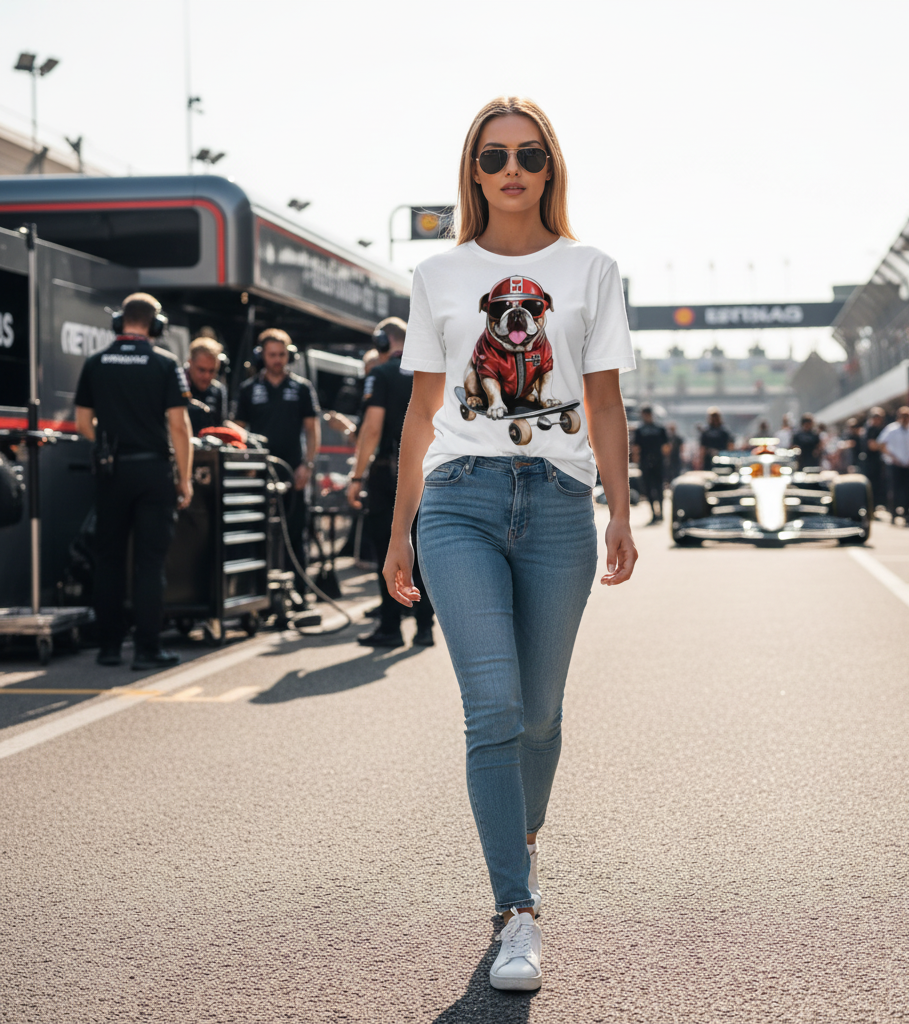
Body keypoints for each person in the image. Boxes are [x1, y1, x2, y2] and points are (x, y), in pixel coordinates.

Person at [382, 96, 637, 991]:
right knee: (492, 705)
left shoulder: (592, 269)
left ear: (552, 165)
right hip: (459, 502)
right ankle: (516, 911)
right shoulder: (438, 276)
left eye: (530, 154)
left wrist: (620, 509)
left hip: (561, 502)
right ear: (474, 171)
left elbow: (604, 402)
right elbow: (421, 410)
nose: (513, 169)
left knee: (539, 715)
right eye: (494, 157)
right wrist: (400, 528)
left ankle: (521, 840)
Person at [73, 293, 192, 670]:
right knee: (149, 563)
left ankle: (109, 648)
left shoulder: (96, 362)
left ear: (119, 322)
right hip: (153, 472)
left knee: (107, 560)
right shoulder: (164, 363)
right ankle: (147, 649)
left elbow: (81, 424)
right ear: (156, 325)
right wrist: (184, 479)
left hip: (112, 472)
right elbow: (179, 425)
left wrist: (109, 444)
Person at [345, 317, 436, 648]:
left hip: (388, 476)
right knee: (422, 550)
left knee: (391, 549)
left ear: (384, 342)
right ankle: (425, 627)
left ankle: (390, 626)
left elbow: (371, 428)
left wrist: (357, 476)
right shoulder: (430, 372)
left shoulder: (380, 374)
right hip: (429, 472)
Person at [233, 329, 320, 596]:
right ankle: (257, 595)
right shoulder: (249, 389)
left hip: (294, 471)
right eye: (272, 355)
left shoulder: (302, 387)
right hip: (259, 472)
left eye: (282, 354)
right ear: (262, 355)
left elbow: (312, 429)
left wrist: (308, 464)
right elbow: (237, 431)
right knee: (257, 533)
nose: (277, 360)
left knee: (296, 535)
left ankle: (301, 594)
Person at [184, 336, 241, 437]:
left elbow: (221, 425)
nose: (206, 376)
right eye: (201, 370)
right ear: (190, 363)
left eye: (212, 371)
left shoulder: (218, 390)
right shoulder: (177, 385)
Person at [631, 405, 668, 524]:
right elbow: (636, 448)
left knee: (657, 488)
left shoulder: (644, 429)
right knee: (650, 488)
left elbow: (666, 447)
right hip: (652, 461)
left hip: (651, 462)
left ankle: (659, 513)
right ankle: (655, 513)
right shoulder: (657, 429)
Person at [878, 406, 909, 524]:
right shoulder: (891, 429)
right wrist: (893, 457)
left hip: (907, 464)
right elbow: (882, 445)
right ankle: (894, 514)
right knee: (894, 490)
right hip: (894, 464)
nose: (906, 419)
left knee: (908, 489)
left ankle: (907, 514)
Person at [860, 407, 886, 506]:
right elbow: (872, 446)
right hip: (870, 463)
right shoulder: (870, 429)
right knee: (871, 486)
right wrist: (883, 446)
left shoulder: (878, 429)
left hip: (877, 463)